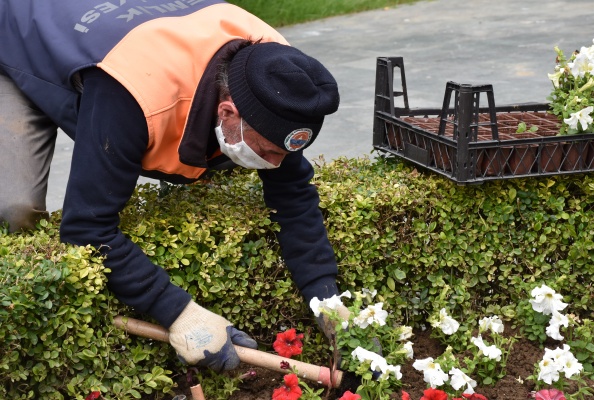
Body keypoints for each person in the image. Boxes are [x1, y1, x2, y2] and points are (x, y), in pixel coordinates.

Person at [0, 0, 344, 372]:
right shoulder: (132, 91)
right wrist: (179, 313)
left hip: (114, 44)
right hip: (20, 42)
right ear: (227, 111)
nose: (276, 164)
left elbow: (291, 193)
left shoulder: (278, 80)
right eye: (270, 151)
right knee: (15, 207)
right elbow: (86, 228)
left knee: (230, 154)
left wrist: (327, 299)